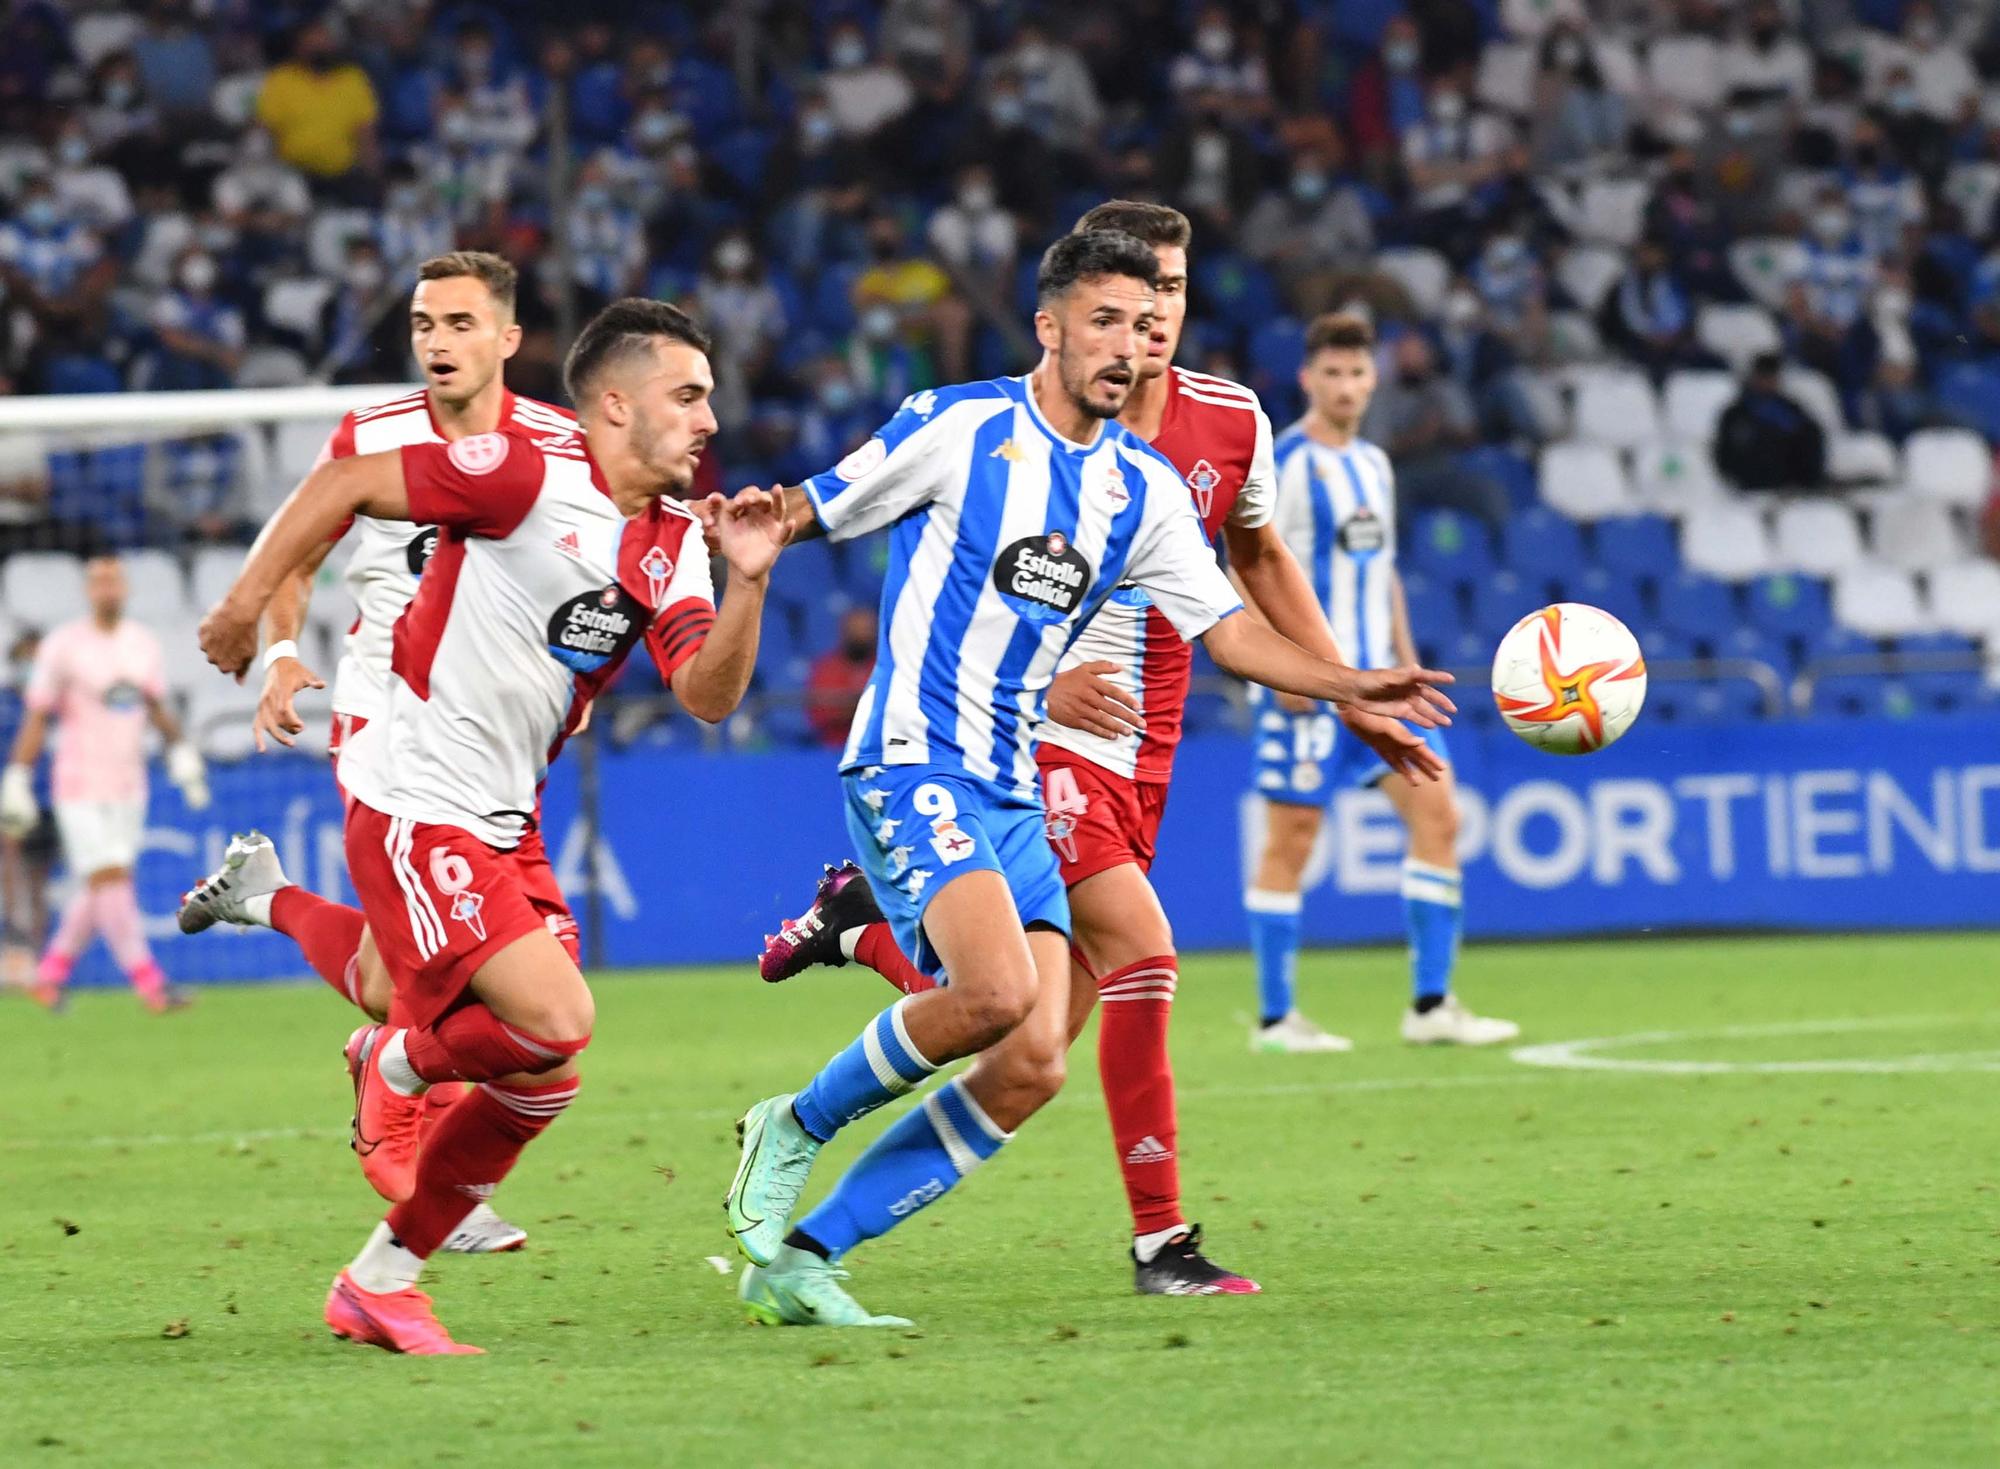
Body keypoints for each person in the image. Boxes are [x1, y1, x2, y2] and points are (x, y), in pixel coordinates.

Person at [723, 229, 1454, 1329]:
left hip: (1011, 787)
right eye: (1103, 319)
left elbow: (1232, 632)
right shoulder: (956, 425)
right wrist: (757, 531)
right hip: (915, 756)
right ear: (1049, 328)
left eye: (1146, 314)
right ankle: (795, 1123)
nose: (1128, 339)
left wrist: (1354, 686)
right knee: (1009, 989)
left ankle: (808, 1253)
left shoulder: (1145, 489)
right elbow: (811, 505)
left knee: (1026, 1062)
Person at [195, 298, 779, 1355]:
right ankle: (400, 1062)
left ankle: (381, 1278)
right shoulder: (522, 474)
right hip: (414, 790)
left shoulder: (670, 546)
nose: (708, 420)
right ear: (613, 404)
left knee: (542, 1067)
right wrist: (251, 612)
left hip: (502, 814)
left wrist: (747, 582)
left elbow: (704, 692)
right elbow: (341, 483)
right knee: (554, 1015)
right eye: (686, 396)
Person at [176, 252, 577, 1257]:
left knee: (416, 977)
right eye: (422, 324)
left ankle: (267, 900)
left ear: (508, 339)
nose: (435, 342)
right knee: (477, 985)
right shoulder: (371, 436)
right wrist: (276, 652)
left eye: (457, 323)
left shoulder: (557, 445)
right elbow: (299, 551)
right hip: (388, 720)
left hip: (495, 739)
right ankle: (430, 1159)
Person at [1246, 314, 1519, 1052]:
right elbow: (1245, 562)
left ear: (1374, 380)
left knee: (1439, 818)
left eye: (1357, 373)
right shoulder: (1286, 460)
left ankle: (1432, 1004)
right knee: (1291, 840)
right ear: (1308, 379)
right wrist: (1275, 670)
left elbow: (1383, 570)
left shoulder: (1374, 463)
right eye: (1330, 373)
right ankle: (1276, 1019)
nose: (1345, 386)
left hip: (1380, 686)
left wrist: (1404, 657)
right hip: (1308, 685)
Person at [0, 555, 209, 1013]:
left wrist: (181, 753)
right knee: (110, 878)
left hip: (128, 783)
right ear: (87, 590)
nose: (106, 588)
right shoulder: (63, 645)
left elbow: (154, 707)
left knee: (102, 887)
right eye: (97, 581)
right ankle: (151, 986)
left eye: (113, 580)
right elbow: (38, 714)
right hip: (78, 783)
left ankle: (50, 975)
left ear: (125, 587)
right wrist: (17, 775)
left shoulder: (141, 643)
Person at [1715, 352, 1826, 491]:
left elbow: (1812, 437)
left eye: (1772, 377)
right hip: (1751, 486)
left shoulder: (1790, 409)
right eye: (1763, 377)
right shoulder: (1736, 414)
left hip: (1790, 485)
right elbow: (1725, 453)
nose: (1767, 382)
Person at [804, 607, 876, 748]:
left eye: (866, 630)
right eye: (856, 631)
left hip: (878, 748)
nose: (861, 636)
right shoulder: (827, 668)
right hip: (833, 747)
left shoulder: (885, 667)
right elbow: (822, 711)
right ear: (845, 632)